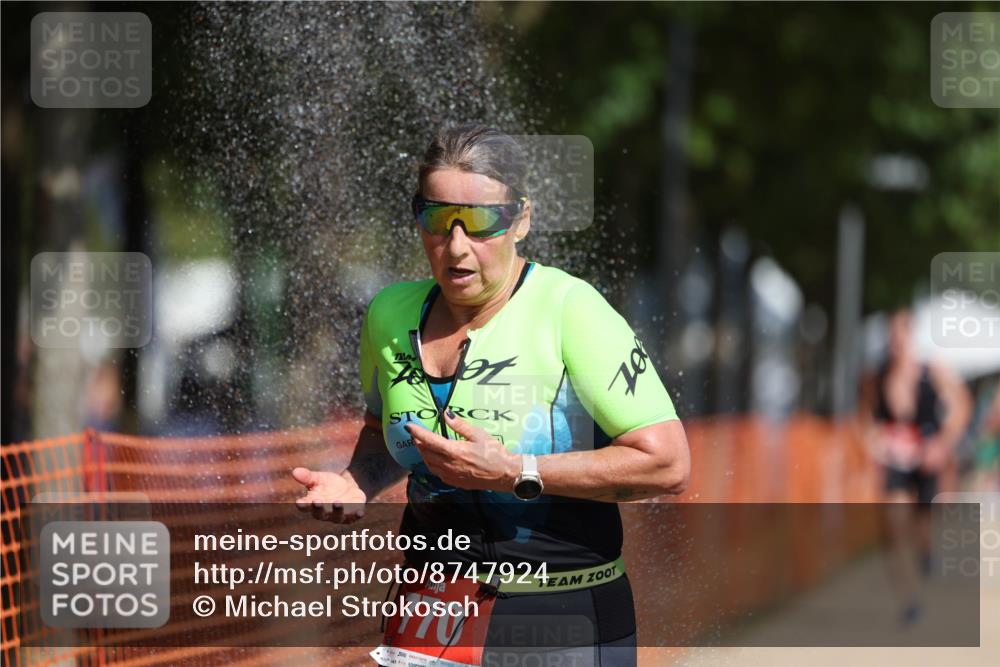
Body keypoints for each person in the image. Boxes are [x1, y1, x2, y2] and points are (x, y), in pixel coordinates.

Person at [292, 123, 690, 666]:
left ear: (522, 219)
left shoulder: (572, 310)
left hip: (559, 615)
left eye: (480, 223)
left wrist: (515, 472)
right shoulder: (389, 314)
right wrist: (355, 481)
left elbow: (667, 464)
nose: (456, 245)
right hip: (428, 612)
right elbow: (384, 431)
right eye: (436, 218)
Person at [859, 307, 971, 625]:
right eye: (891, 336)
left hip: (927, 459)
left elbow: (962, 406)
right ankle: (909, 600)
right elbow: (864, 414)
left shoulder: (931, 371)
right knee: (893, 527)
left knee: (923, 525)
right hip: (895, 461)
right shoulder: (876, 376)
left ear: (911, 337)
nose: (895, 343)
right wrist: (873, 439)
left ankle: (926, 551)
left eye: (901, 335)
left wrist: (942, 444)